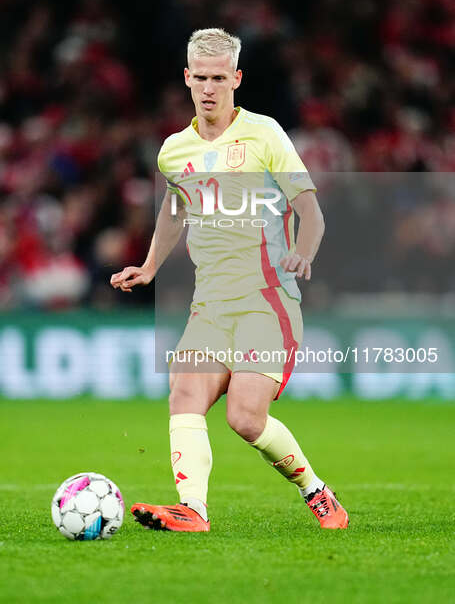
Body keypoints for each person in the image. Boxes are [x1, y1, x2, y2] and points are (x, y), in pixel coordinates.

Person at [110, 28, 349, 531]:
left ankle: (316, 492)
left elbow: (311, 210)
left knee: (244, 418)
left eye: (220, 77)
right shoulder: (174, 151)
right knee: (184, 394)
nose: (210, 88)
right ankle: (192, 510)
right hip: (210, 306)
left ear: (236, 78)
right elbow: (175, 208)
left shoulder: (264, 134)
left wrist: (304, 253)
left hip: (267, 301)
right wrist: (150, 266)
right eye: (200, 78)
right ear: (186, 79)